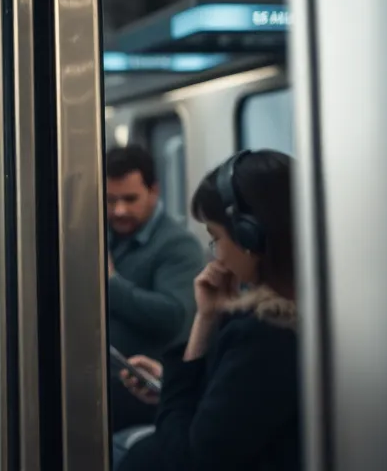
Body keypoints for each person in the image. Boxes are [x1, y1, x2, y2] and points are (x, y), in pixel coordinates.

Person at [117, 149, 301, 471]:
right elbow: (231, 413)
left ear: (250, 236)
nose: (216, 257)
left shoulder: (266, 335)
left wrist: (177, 394)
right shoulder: (291, 321)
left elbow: (190, 459)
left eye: (215, 237)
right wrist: (207, 316)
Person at [105, 145, 205, 433]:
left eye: (130, 199)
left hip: (145, 400)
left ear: (154, 190)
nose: (120, 210)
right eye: (111, 200)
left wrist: (110, 283)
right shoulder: (105, 234)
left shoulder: (177, 245)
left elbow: (174, 316)